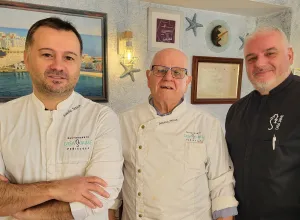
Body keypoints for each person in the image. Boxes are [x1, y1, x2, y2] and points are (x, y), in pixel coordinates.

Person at [0, 17, 124, 220]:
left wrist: (20, 209)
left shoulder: (102, 119)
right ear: (27, 58)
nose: (58, 66)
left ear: (78, 63)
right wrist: (55, 189)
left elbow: (100, 199)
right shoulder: (3, 118)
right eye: (47, 55)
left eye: (68, 57)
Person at [110, 48, 238, 220]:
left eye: (177, 72)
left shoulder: (207, 125)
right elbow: (112, 188)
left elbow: (221, 186)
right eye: (160, 70)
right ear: (148, 77)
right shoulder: (123, 122)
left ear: (187, 82)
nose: (168, 77)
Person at [225, 26, 300, 220]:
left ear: (289, 56)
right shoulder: (237, 110)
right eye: (251, 58)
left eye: (270, 53)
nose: (260, 63)